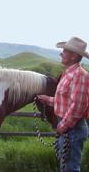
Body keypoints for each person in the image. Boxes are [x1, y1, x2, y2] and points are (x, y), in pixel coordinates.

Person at [37, 36, 89, 172]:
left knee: (70, 168)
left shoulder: (80, 75)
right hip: (69, 128)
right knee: (66, 167)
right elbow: (66, 101)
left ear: (73, 56)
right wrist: (47, 99)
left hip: (72, 128)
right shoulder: (68, 73)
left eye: (64, 51)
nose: (61, 53)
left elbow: (78, 106)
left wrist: (63, 125)